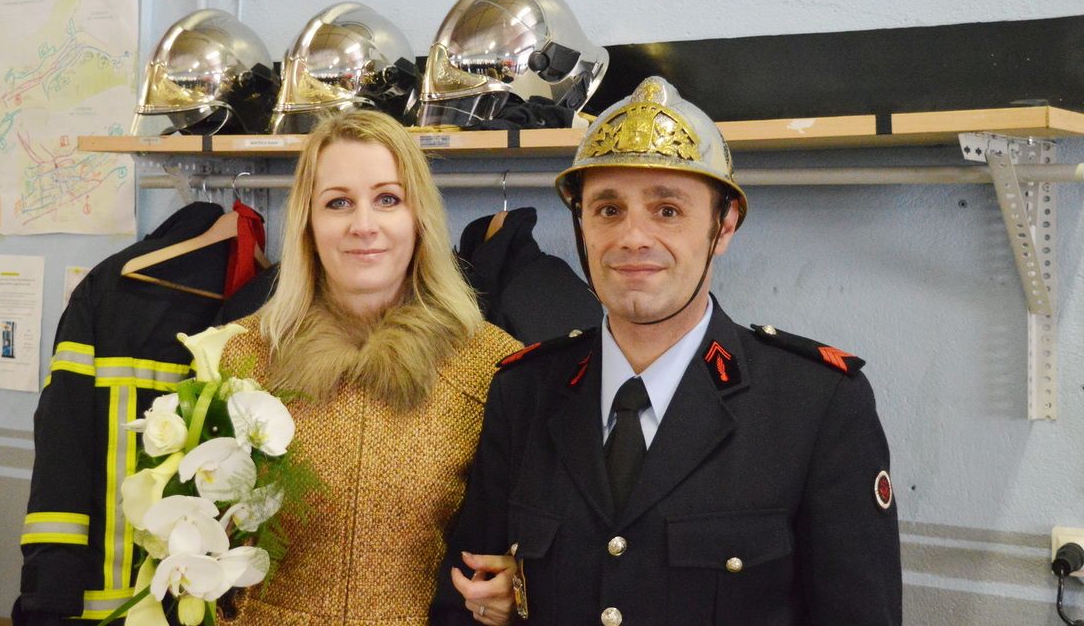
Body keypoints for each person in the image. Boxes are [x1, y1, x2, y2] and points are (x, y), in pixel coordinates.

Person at [434, 77, 902, 625]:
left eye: (667, 210)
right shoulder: (524, 390)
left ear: (723, 226)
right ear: (581, 224)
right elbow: (464, 600)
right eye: (609, 209)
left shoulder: (816, 404)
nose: (633, 237)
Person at [217, 108, 521, 625]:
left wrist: (517, 585)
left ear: (419, 217)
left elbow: (530, 540)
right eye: (338, 202)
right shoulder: (241, 356)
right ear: (308, 224)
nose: (364, 226)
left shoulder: (492, 367)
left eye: (388, 199)